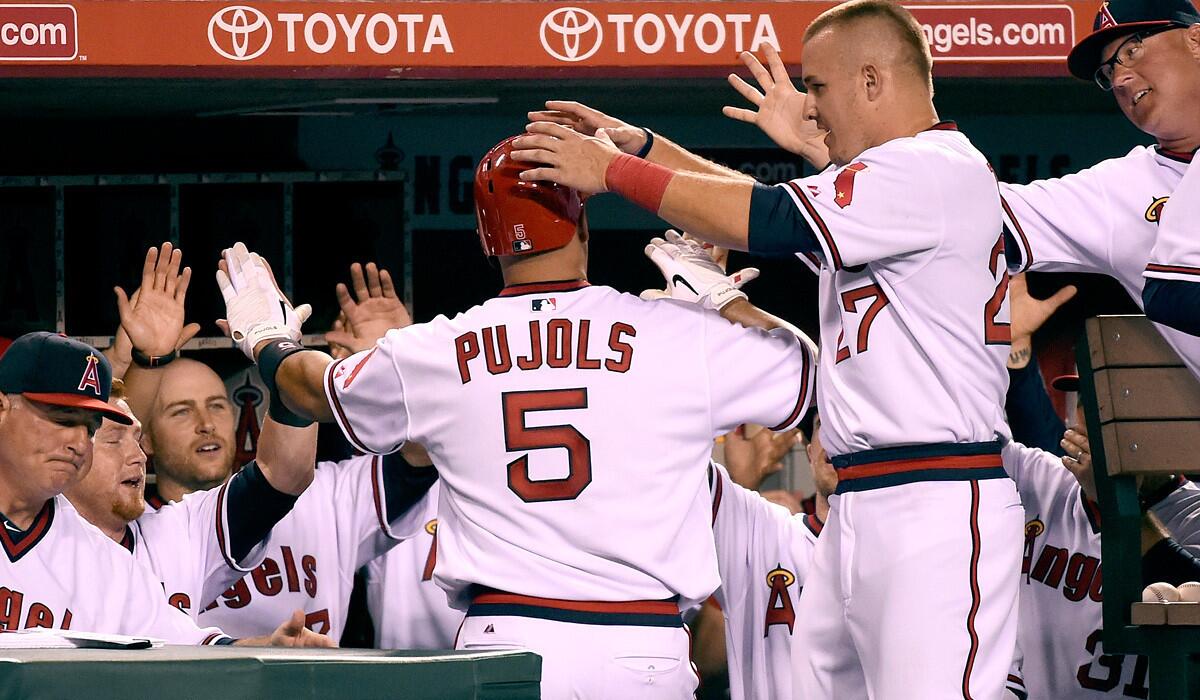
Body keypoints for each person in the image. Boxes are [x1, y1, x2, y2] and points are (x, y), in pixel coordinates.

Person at [518, 0, 1019, 696]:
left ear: (872, 81)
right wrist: (643, 149)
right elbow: (772, 204)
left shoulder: (932, 166)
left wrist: (612, 173)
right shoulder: (891, 181)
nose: (809, 110)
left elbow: (769, 218)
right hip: (863, 503)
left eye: (817, 87)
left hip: (934, 500)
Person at [212, 133, 817, 696]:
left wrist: (267, 339)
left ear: (486, 241)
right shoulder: (672, 334)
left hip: (507, 642)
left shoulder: (440, 349)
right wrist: (721, 297)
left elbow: (311, 388)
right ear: (582, 222)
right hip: (641, 645)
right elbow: (805, 375)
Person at [197, 264, 438, 642]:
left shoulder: (328, 495)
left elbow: (418, 459)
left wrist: (395, 369)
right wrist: (145, 359)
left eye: (215, 405)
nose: (204, 423)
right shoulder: (152, 526)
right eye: (180, 410)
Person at [0, 332, 230, 644]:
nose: (80, 443)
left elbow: (191, 650)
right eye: (64, 420)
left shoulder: (108, 566)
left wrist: (267, 649)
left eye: (91, 428)